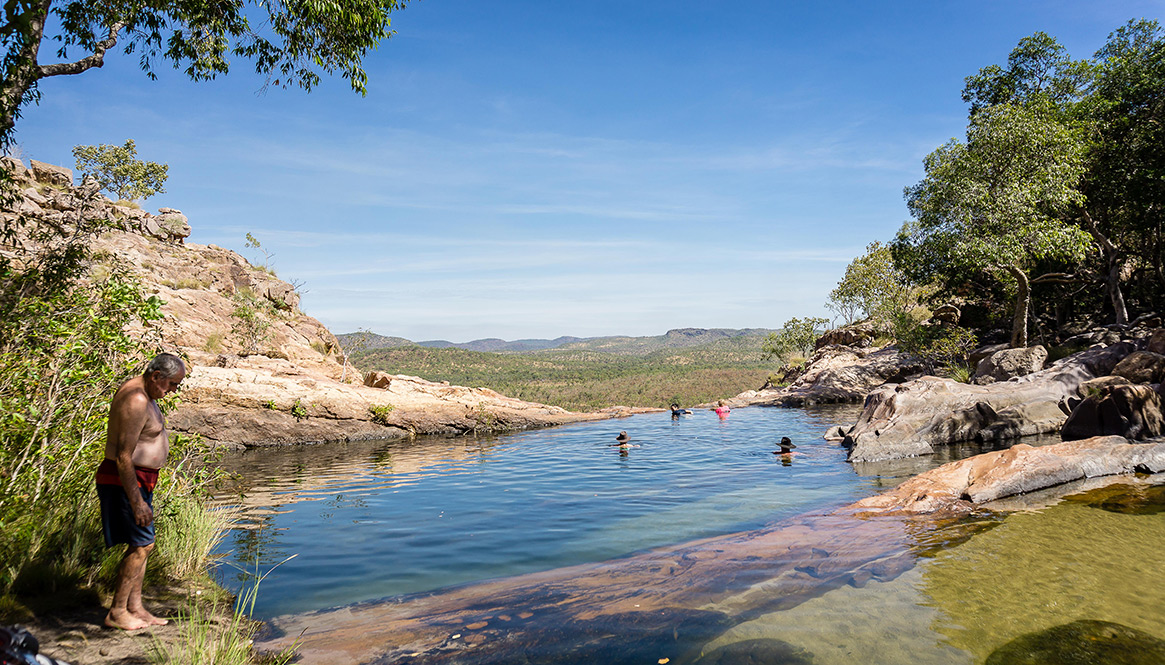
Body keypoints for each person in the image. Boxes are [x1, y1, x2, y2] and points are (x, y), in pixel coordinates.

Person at [95, 353, 187, 631]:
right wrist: (136, 502)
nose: (172, 391)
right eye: (171, 384)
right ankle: (117, 612)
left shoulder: (147, 395)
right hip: (124, 482)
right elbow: (123, 456)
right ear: (155, 375)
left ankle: (135, 607)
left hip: (140, 481)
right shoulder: (136, 399)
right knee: (143, 544)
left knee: (142, 545)